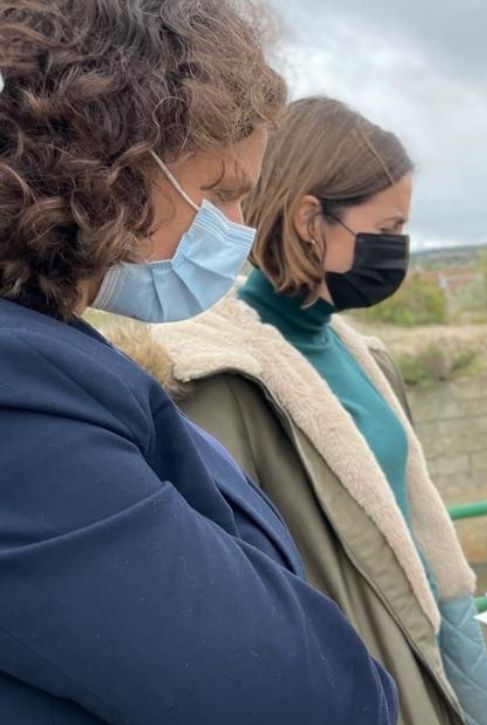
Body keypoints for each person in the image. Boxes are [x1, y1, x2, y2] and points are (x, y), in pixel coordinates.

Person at [0, 2, 399, 724]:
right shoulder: (22, 396)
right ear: (108, 162)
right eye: (222, 192)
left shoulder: (55, 350)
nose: (238, 231)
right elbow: (303, 696)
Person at [126, 96, 487, 725]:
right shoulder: (220, 380)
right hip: (365, 688)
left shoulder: (363, 356)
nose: (399, 249)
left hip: (434, 657)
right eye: (388, 229)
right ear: (310, 220)